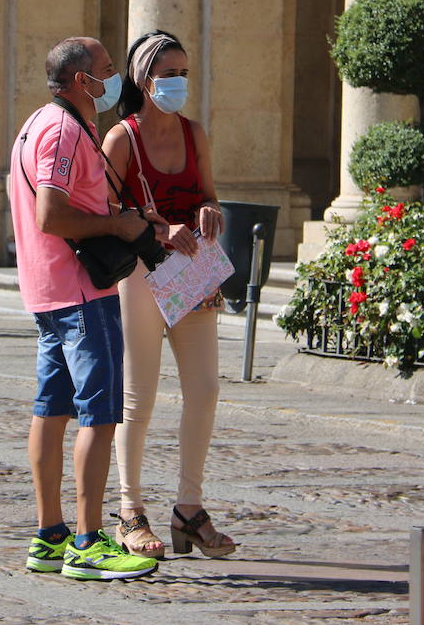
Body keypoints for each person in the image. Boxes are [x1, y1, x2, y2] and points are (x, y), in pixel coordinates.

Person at [8, 36, 160, 581]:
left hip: (50, 289)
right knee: (101, 412)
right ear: (80, 80)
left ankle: (50, 536)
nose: (113, 76)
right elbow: (52, 213)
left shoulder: (38, 123)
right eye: (105, 69)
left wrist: (122, 214)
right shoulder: (64, 130)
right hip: (79, 292)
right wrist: (118, 224)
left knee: (51, 409)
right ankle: (89, 542)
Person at [100, 30, 236, 559]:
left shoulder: (193, 131)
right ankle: (129, 510)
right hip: (141, 272)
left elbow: (209, 196)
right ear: (142, 78)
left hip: (193, 270)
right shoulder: (121, 139)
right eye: (168, 74)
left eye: (183, 74)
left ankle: (189, 507)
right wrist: (156, 230)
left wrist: (209, 212)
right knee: (139, 397)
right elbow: (106, 214)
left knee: (204, 390)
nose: (178, 83)